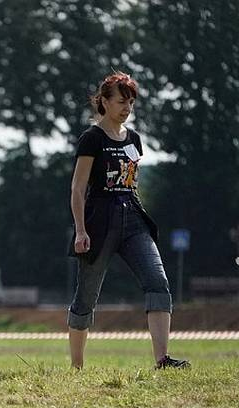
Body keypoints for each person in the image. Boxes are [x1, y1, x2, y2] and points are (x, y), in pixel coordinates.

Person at [67, 71, 189, 370]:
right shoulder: (92, 138)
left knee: (158, 283)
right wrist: (81, 230)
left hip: (133, 218)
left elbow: (132, 182)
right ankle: (77, 367)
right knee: (86, 297)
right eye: (121, 101)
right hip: (99, 222)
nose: (127, 108)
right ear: (104, 102)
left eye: (131, 102)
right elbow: (78, 188)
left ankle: (162, 359)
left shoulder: (134, 138)